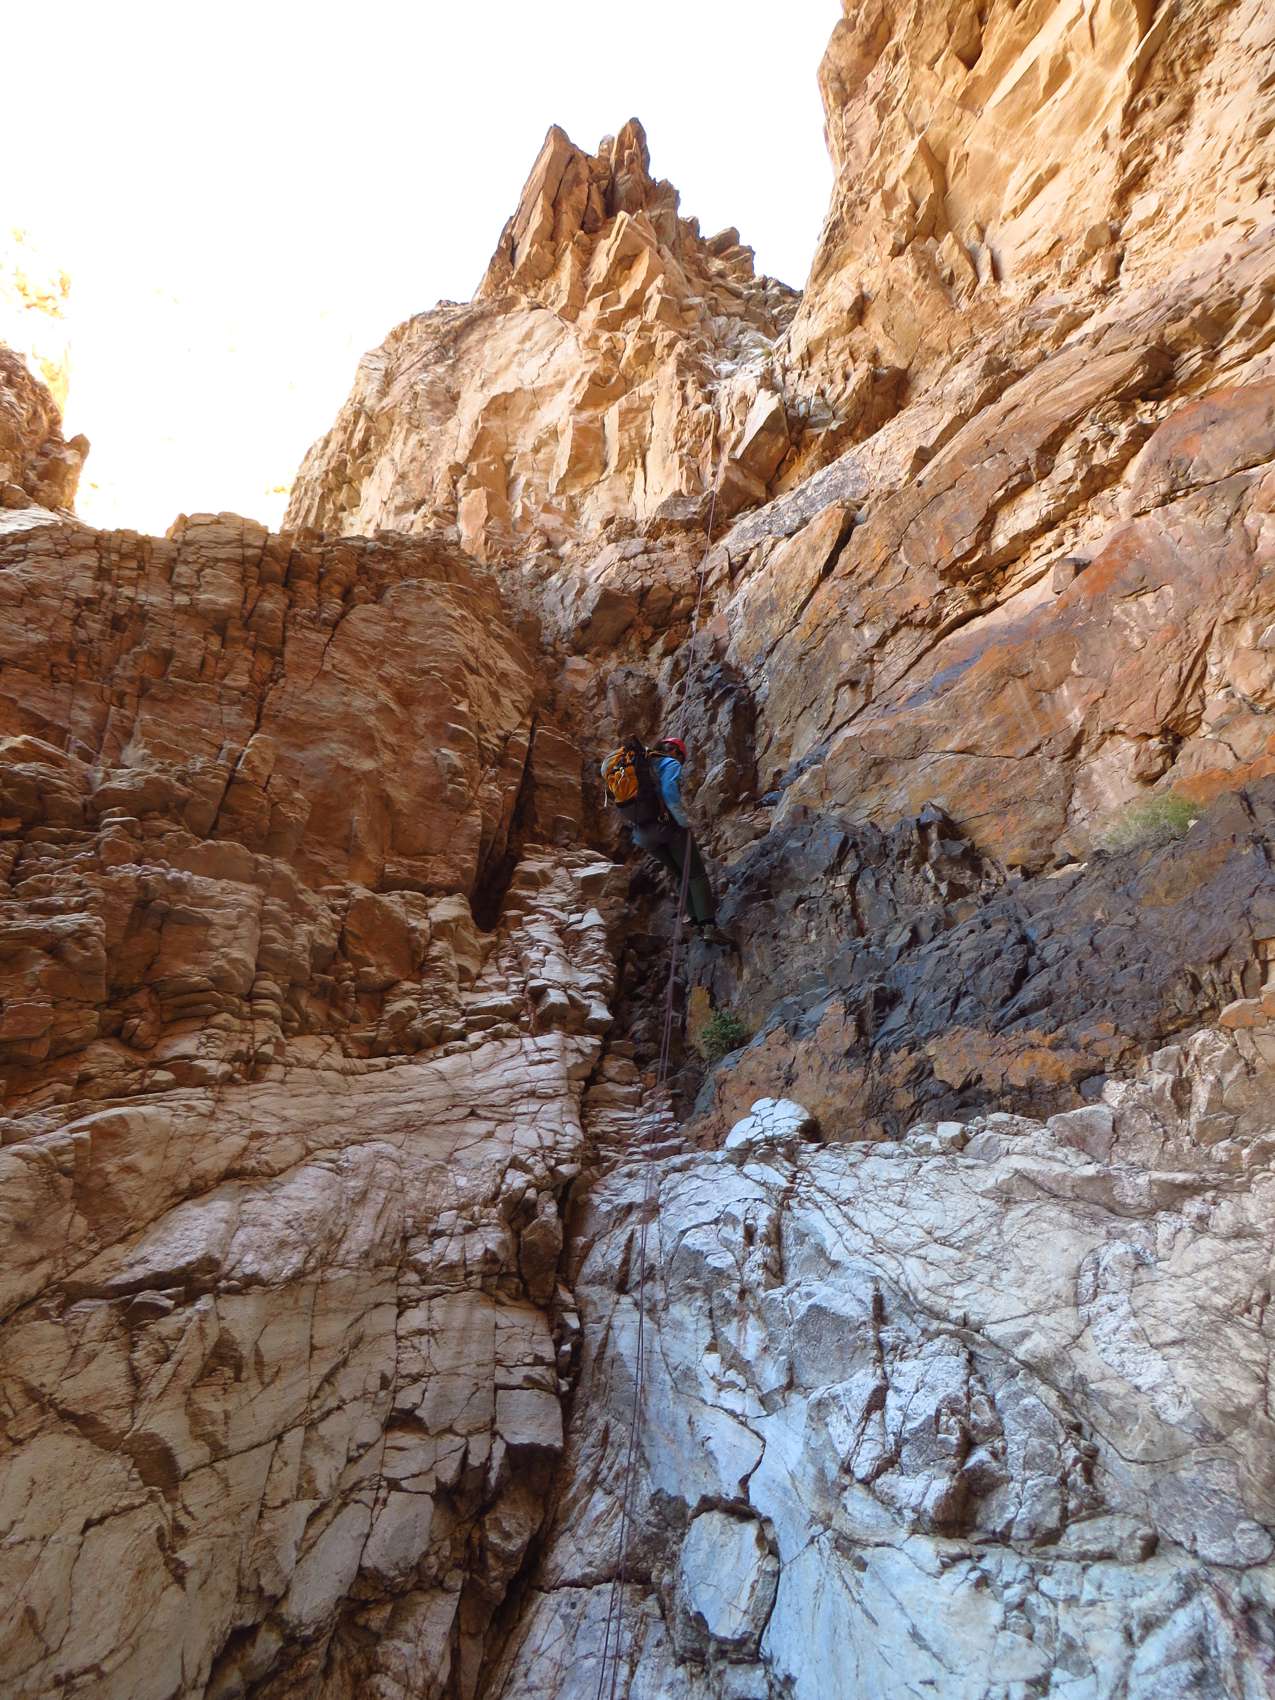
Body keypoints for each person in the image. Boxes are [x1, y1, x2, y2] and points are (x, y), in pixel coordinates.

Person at [601, 734, 718, 928]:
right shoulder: (669, 763)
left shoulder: (639, 764)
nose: (681, 762)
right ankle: (708, 926)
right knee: (696, 874)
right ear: (675, 752)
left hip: (642, 835)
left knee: (679, 873)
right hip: (666, 827)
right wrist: (683, 821)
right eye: (681, 758)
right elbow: (670, 792)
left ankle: (694, 919)